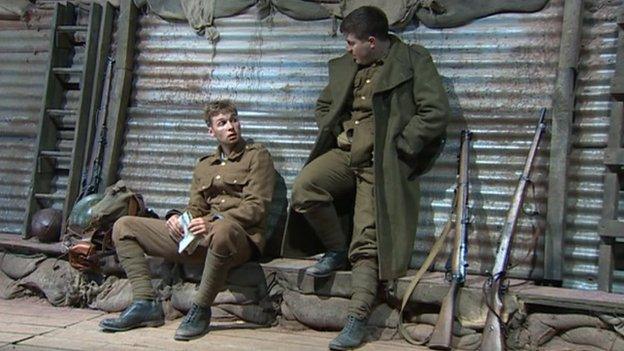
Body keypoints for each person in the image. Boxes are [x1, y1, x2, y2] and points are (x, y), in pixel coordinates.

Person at [285, 6, 450, 350]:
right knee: (305, 189)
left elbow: (434, 112)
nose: (347, 49)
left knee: (368, 240)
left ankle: (357, 318)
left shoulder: (413, 61)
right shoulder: (348, 66)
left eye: (351, 43)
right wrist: (341, 131)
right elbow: (323, 106)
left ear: (372, 42)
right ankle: (334, 249)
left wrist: (401, 145)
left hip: (382, 163)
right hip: (348, 153)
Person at [99, 100, 276, 341]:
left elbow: (257, 207)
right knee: (125, 226)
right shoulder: (204, 165)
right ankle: (145, 304)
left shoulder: (257, 156)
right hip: (202, 238)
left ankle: (201, 309)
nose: (231, 127)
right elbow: (195, 207)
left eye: (234, 120)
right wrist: (177, 218)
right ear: (211, 131)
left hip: (237, 240)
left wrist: (213, 222)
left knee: (223, 230)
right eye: (222, 123)